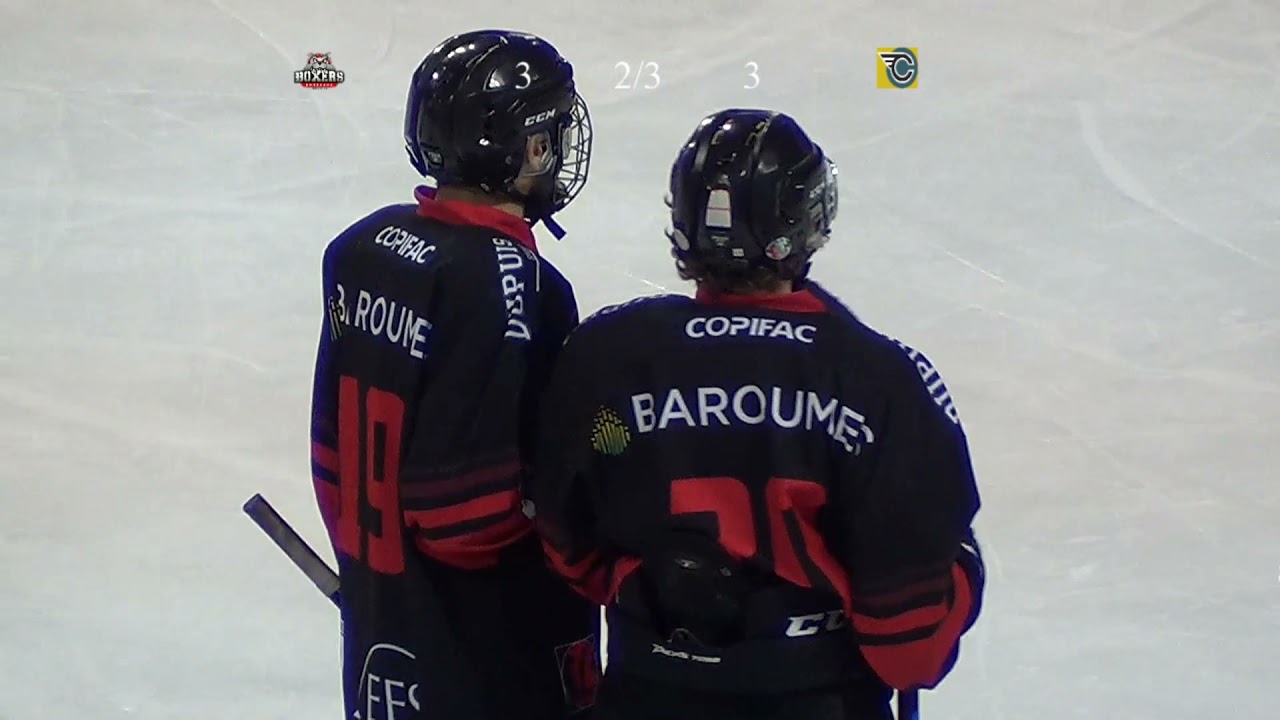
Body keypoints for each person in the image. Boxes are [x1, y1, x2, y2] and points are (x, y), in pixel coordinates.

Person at [528, 109, 985, 720]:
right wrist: (964, 565)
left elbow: (570, 549)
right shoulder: (879, 381)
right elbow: (910, 650)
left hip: (646, 694)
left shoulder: (604, 356)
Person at [308, 29, 600, 720]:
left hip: (386, 629)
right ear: (529, 148)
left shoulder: (362, 248)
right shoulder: (519, 287)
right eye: (551, 134)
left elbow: (332, 458)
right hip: (484, 656)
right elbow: (464, 515)